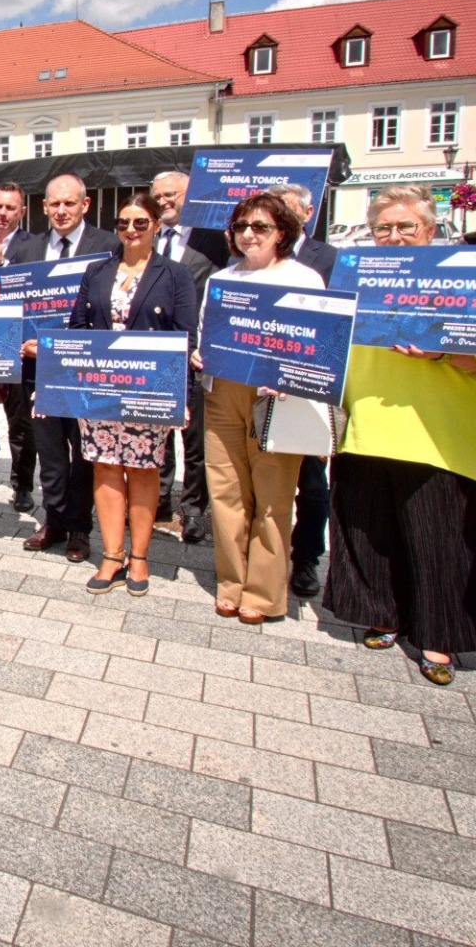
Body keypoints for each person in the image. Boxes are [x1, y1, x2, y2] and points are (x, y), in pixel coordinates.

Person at [323, 186, 476, 687]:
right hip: (368, 425)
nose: (395, 237)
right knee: (369, 529)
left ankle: (438, 635)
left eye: (407, 227)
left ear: (431, 230)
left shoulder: (465, 279)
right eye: (384, 228)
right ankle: (382, 614)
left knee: (442, 539)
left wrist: (441, 351)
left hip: (440, 431)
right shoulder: (359, 279)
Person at [197, 191, 323, 625]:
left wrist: (291, 374)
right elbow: (205, 333)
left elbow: (315, 346)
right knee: (226, 491)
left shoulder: (303, 279)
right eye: (241, 227)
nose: (249, 234)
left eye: (261, 227)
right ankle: (231, 582)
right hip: (224, 391)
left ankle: (265, 592)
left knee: (272, 496)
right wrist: (199, 355)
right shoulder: (221, 279)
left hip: (277, 397)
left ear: (282, 232)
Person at [68, 194, 198, 596]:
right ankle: (111, 554)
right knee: (105, 466)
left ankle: (139, 557)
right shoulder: (97, 271)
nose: (130, 230)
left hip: (149, 391)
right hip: (101, 389)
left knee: (143, 469)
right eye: (123, 223)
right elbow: (78, 328)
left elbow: (185, 339)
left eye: (140, 223)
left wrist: (183, 398)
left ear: (156, 225)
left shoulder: (175, 274)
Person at [14, 174, 121, 561]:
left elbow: (112, 310)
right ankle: (54, 520)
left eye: (69, 204)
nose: (61, 211)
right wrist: (19, 342)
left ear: (85, 205)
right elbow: (13, 313)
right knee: (51, 453)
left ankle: (79, 528)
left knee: (85, 452)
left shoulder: (107, 246)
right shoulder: (27, 252)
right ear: (44, 207)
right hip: (38, 372)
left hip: (85, 371)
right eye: (54, 204)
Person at [269, 182, 337, 598]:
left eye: (288, 210)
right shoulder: (248, 257)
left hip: (305, 387)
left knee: (312, 483)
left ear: (307, 214)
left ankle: (307, 557)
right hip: (256, 390)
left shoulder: (327, 259)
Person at [149, 171, 221, 543]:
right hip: (155, 355)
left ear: (190, 196)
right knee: (158, 432)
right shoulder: (146, 238)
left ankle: (193, 508)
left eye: (172, 194)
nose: (164, 201)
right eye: (158, 196)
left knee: (195, 440)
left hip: (194, 356)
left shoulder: (215, 242)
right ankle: (159, 501)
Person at [0, 180, 36, 512]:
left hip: (15, 348)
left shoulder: (32, 246)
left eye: (10, 207)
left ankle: (22, 485)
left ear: (22, 212)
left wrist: (4, 265)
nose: (3, 213)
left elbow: (33, 291)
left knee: (20, 422)